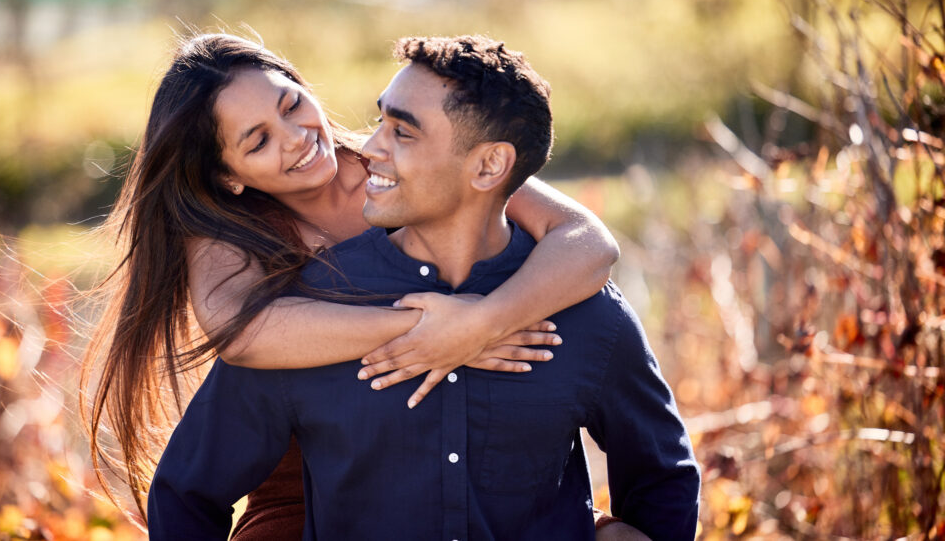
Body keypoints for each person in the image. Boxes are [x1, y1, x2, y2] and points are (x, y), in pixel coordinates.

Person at [147, 35, 700, 540]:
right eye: (258, 140)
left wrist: (483, 319)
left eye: (291, 104)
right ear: (228, 175)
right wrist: (431, 329)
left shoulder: (419, 165)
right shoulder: (234, 243)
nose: (295, 138)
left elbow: (585, 239)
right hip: (310, 498)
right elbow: (241, 335)